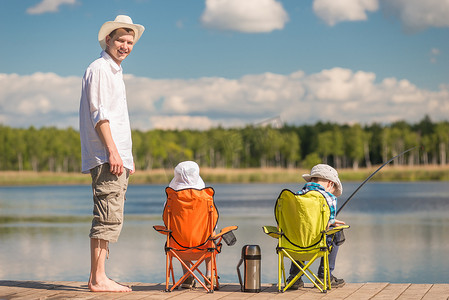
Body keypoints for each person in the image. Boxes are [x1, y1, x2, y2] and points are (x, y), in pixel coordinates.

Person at [79, 15, 144, 292]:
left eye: (129, 42)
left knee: (110, 214)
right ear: (108, 39)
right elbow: (100, 115)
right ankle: (99, 279)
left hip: (115, 156)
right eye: (120, 40)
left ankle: (99, 276)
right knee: (106, 215)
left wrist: (125, 158)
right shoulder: (100, 69)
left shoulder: (115, 71)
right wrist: (113, 153)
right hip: (107, 156)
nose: (125, 46)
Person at [286, 164, 346, 289]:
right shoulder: (329, 198)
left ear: (311, 180)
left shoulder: (295, 196)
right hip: (318, 244)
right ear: (330, 184)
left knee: (300, 232)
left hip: (293, 245)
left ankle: (294, 277)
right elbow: (328, 223)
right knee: (336, 231)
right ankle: (324, 275)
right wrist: (332, 221)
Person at [168, 161, 212, 289]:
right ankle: (209, 276)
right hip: (204, 247)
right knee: (211, 234)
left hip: (178, 248)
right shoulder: (207, 199)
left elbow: (167, 223)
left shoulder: (171, 200)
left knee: (178, 232)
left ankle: (187, 276)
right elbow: (213, 222)